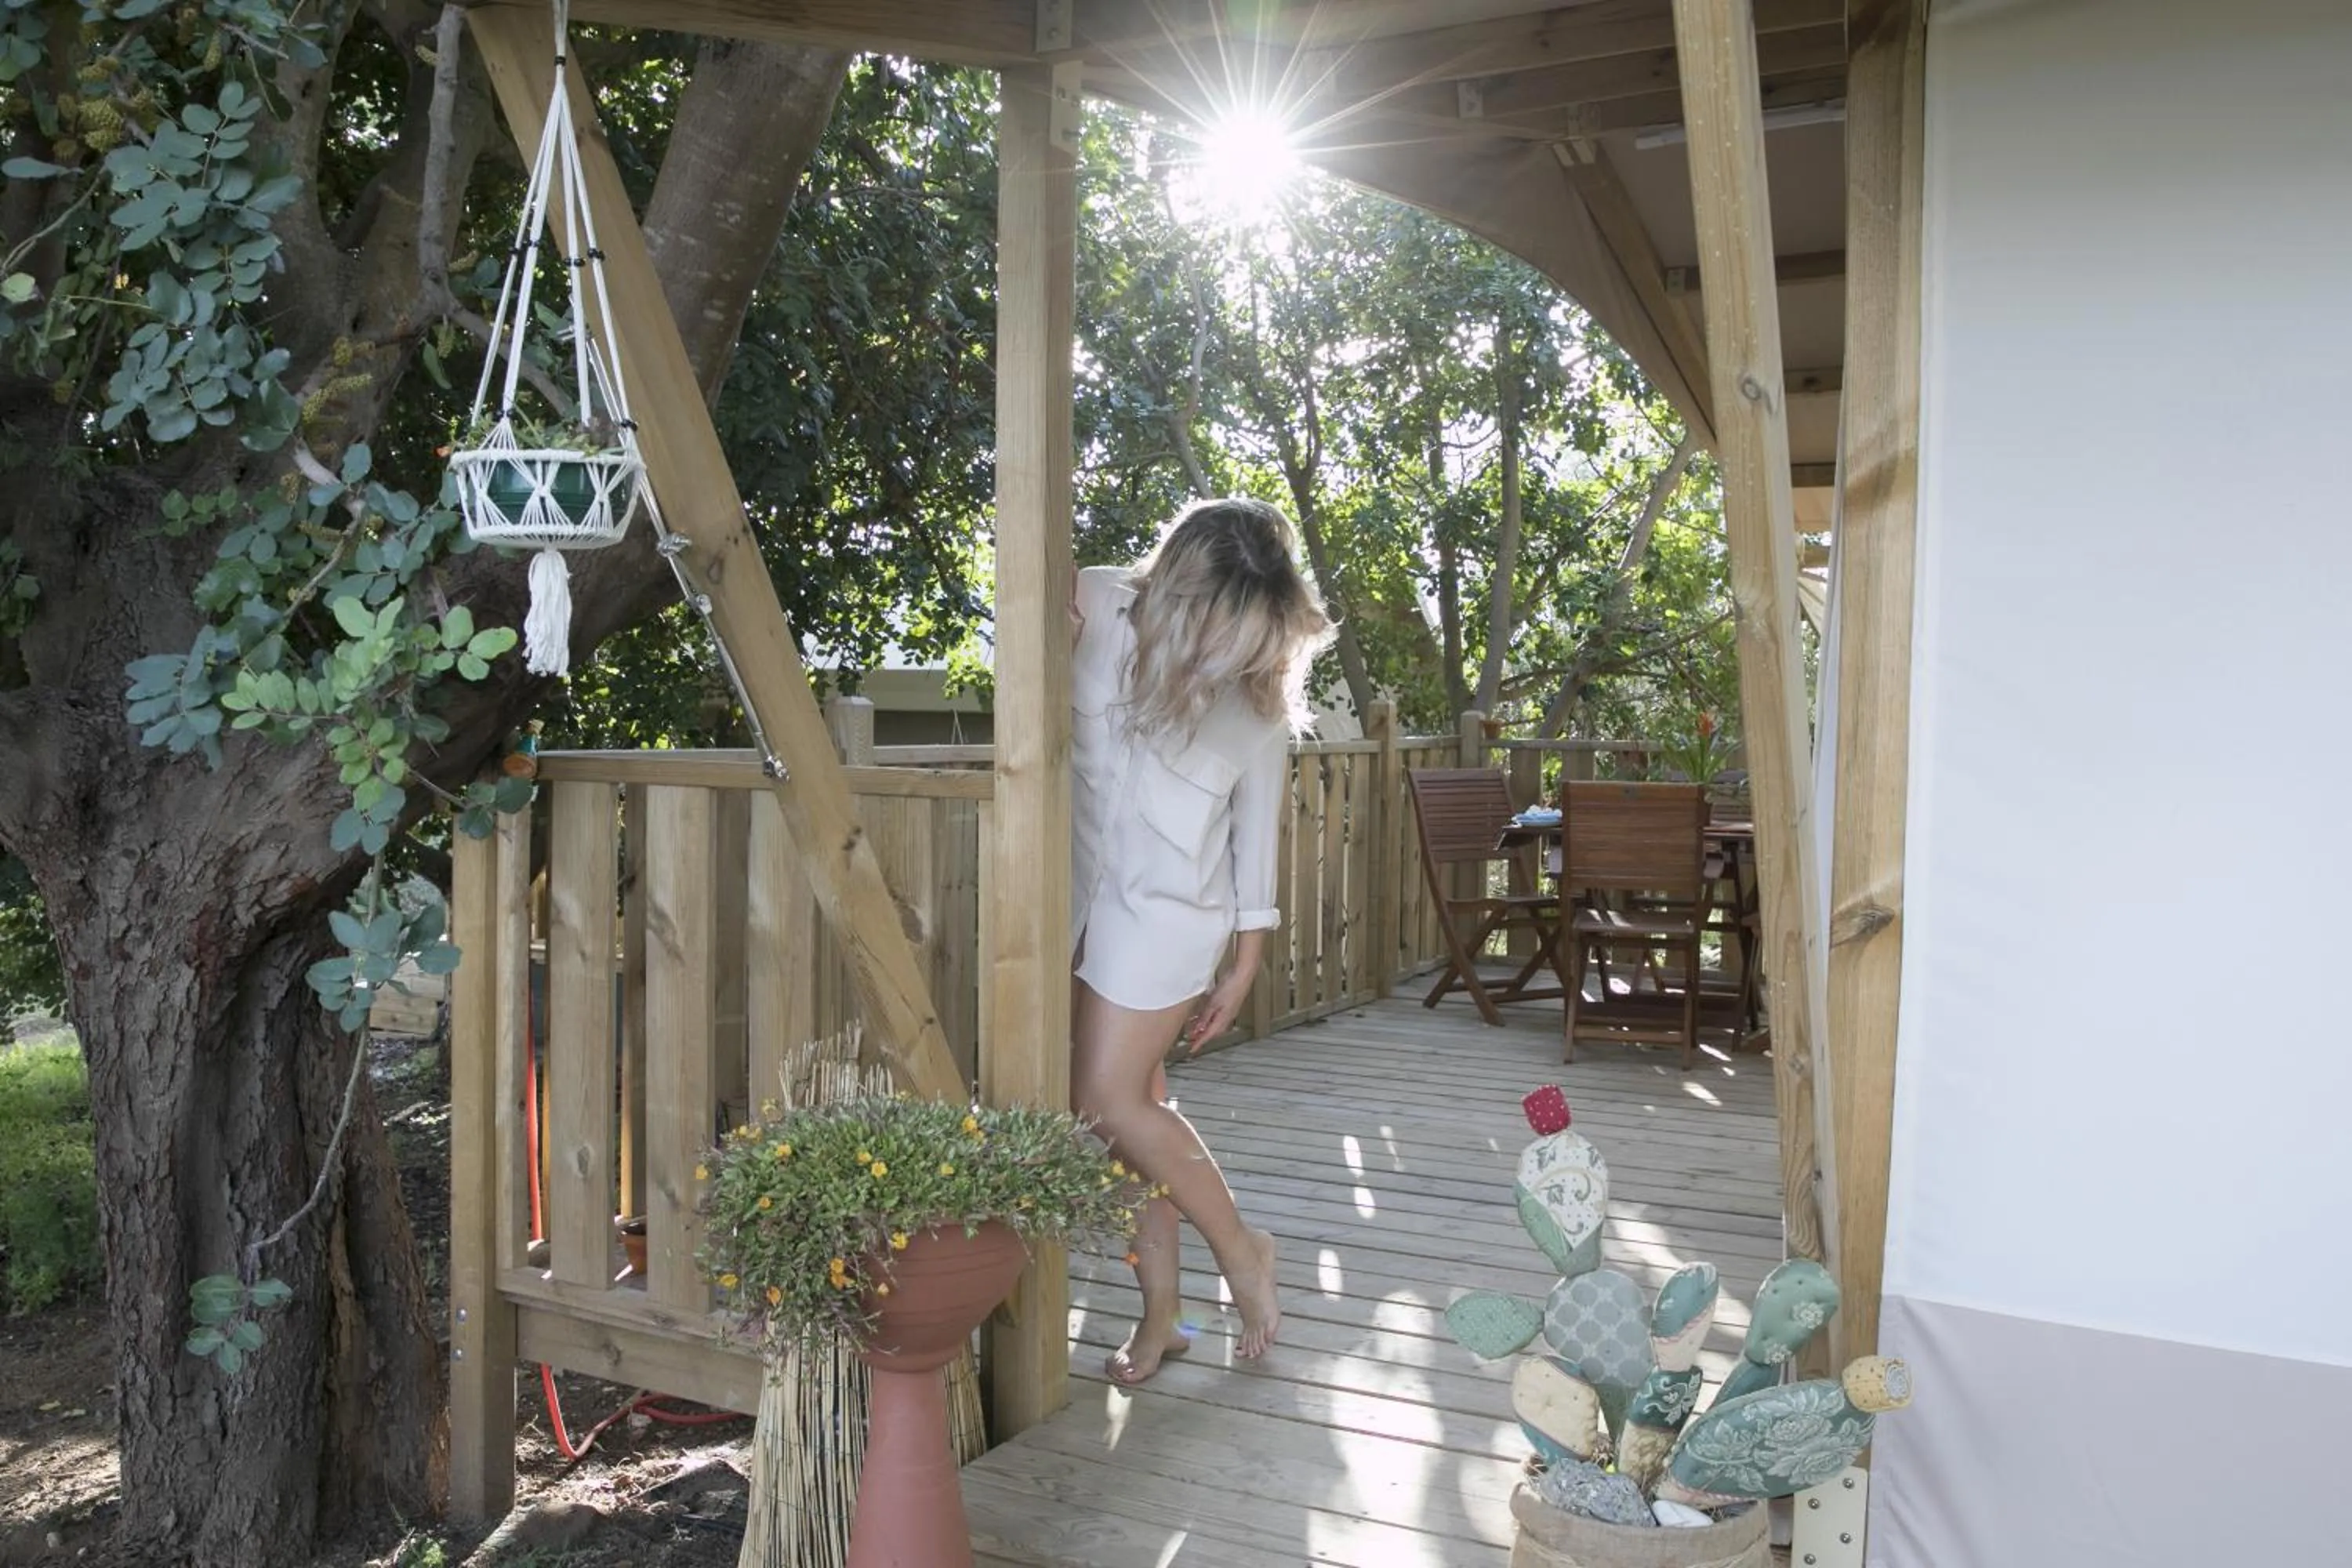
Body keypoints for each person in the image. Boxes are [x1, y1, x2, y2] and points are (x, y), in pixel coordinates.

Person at [1068, 496, 1335, 1385]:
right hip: (1082, 900)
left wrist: (1248, 954)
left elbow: (1255, 833)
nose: (1232, 654)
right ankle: (1162, 1320)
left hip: (1173, 917)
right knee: (1129, 1120)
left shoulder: (1258, 697)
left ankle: (1243, 1246)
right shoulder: (1094, 603)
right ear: (1184, 590)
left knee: (1107, 1101)